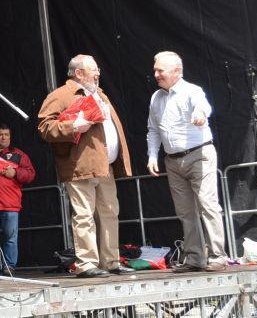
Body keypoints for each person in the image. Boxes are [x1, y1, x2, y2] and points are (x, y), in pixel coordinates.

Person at [38, 54, 132, 278]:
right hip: (80, 167)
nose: (98, 73)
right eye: (93, 69)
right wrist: (73, 126)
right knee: (84, 215)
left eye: (97, 69)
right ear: (79, 73)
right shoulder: (61, 95)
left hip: (105, 166)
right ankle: (87, 264)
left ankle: (111, 261)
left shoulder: (100, 94)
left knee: (110, 213)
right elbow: (44, 127)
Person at [146, 51, 228, 272]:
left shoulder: (192, 90)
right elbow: (153, 130)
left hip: (199, 154)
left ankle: (218, 256)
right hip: (173, 161)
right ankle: (194, 258)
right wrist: (152, 156)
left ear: (177, 71)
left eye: (160, 70)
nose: (156, 74)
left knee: (207, 204)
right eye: (155, 70)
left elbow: (204, 106)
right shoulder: (156, 98)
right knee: (185, 211)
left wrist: (200, 114)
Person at [0, 124, 36, 272]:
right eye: (0, 134)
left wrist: (16, 173)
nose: (3, 138)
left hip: (10, 203)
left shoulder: (18, 154)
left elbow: (31, 174)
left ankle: (9, 266)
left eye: (6, 135)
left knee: (10, 238)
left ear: (10, 137)